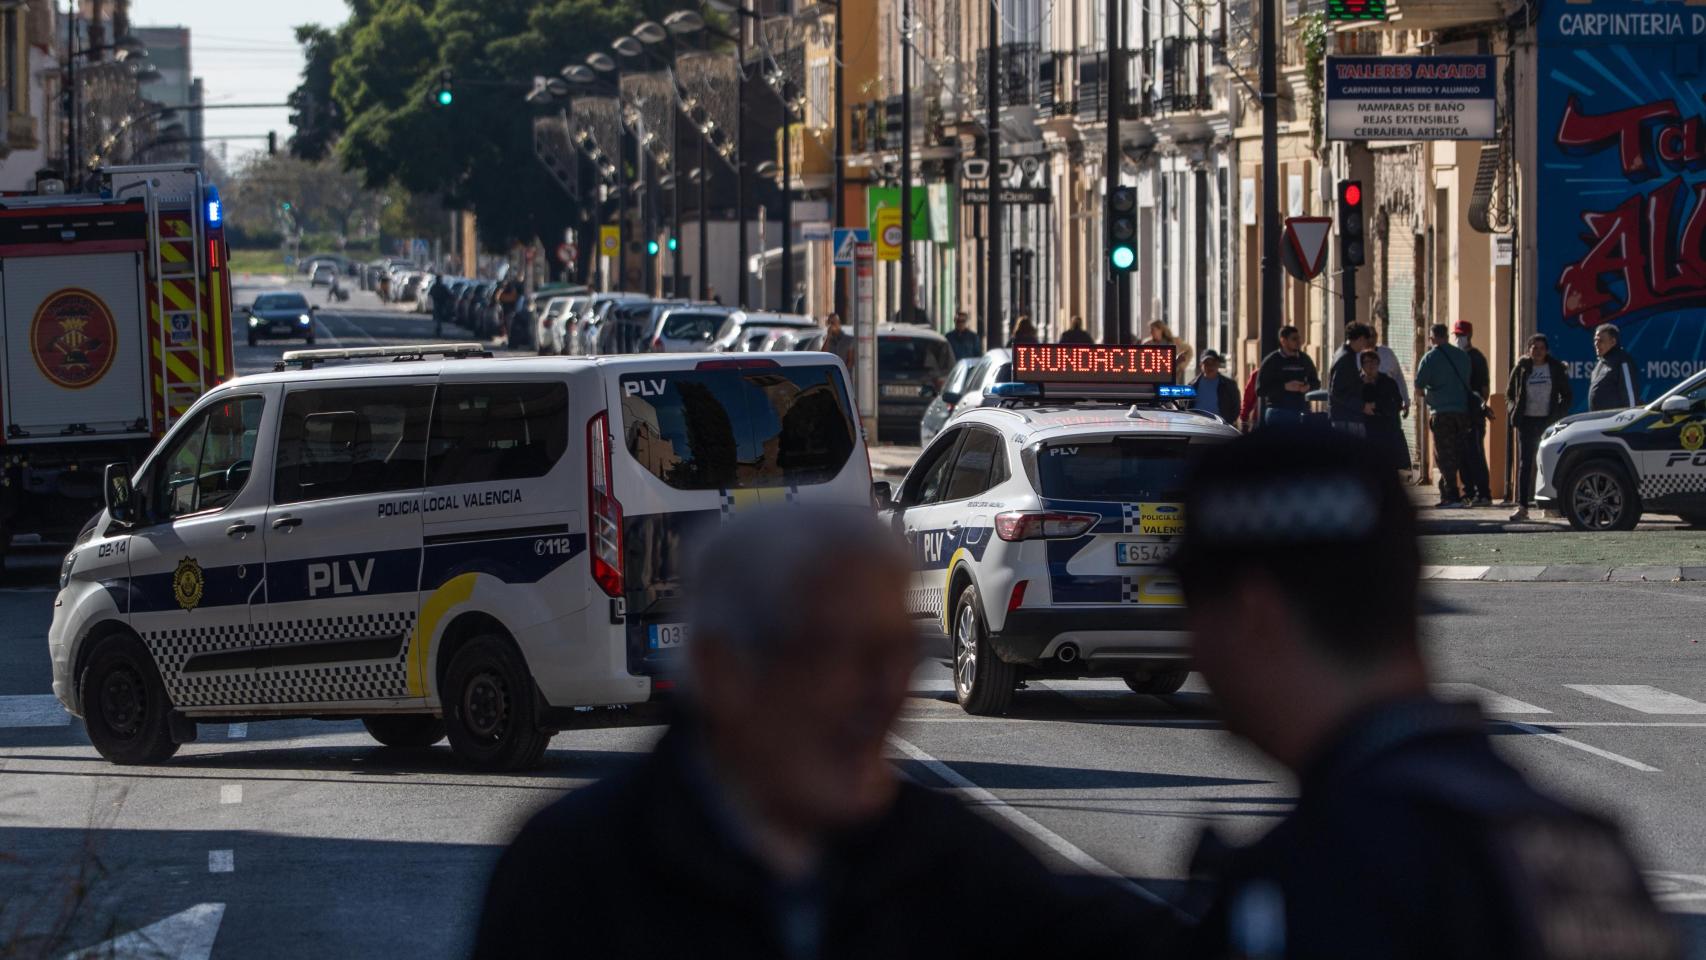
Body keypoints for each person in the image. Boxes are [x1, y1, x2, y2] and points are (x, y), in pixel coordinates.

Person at [473, 507, 1152, 959]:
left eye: (895, 656)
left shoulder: (953, 866)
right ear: (722, 668)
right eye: (833, 654)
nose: (883, 697)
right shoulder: (576, 874)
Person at [1171, 428, 1681, 960]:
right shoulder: (1590, 857)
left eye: (1191, 608)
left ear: (1256, 616)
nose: (1193, 649)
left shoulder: (1315, 881)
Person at [1506, 334, 1574, 521]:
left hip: (1548, 423)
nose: (1538, 352)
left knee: (1547, 464)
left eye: (1541, 348)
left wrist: (1557, 415)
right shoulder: (1521, 368)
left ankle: (1548, 506)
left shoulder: (1555, 368)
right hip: (1527, 422)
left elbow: (1567, 395)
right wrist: (1514, 411)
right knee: (1525, 464)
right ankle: (1522, 507)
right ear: (1528, 350)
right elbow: (1509, 394)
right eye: (1534, 348)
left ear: (1547, 350)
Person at [1414, 323, 1472, 508]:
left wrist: (1428, 394)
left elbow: (1419, 386)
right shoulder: (1462, 356)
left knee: (1445, 455)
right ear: (1447, 336)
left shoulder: (1429, 358)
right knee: (1460, 452)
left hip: (1441, 413)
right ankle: (1466, 491)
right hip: (1462, 412)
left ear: (1432, 338)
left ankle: (1451, 495)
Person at [1453, 320, 1493, 506]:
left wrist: (1480, 407)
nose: (1459, 339)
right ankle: (1468, 492)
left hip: (1473, 414)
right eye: (1457, 335)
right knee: (1461, 455)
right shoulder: (1454, 357)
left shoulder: (1477, 358)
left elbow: (1484, 388)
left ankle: (1483, 493)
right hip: (1457, 413)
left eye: (1462, 335)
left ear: (1470, 336)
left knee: (1475, 453)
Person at [1255, 325, 1319, 427]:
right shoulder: (1272, 361)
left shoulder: (1304, 359)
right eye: (1294, 339)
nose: (1298, 342)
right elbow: (1260, 390)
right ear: (1283, 341)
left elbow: (1316, 383)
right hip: (1278, 412)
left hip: (1301, 411)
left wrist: (1308, 387)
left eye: (1299, 338)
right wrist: (1285, 387)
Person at [1360, 348, 1409, 471]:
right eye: (1366, 362)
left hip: (1386, 430)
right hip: (1366, 431)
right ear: (1362, 365)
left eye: (1373, 362)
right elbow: (1350, 401)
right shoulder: (1357, 383)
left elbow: (1396, 403)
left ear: (1378, 363)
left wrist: (1376, 405)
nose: (1370, 366)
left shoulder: (1388, 382)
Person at [1328, 322, 1376, 436]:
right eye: (1365, 341)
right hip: (1346, 419)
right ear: (1360, 339)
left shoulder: (1346, 355)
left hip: (1346, 417)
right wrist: (1362, 406)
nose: (1365, 345)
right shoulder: (1345, 359)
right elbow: (1337, 391)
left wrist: (1360, 381)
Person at [1589, 323, 1642, 410]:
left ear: (1613, 342)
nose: (1596, 344)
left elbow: (1630, 396)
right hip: (1600, 421)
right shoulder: (1601, 363)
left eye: (1600, 341)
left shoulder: (1622, 361)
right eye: (1595, 340)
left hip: (1617, 421)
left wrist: (1631, 417)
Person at [1189, 351, 1240, 423]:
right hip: (1197, 426)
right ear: (1201, 365)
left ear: (1218, 364)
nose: (1210, 366)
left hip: (1219, 427)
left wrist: (1227, 422)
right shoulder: (1193, 385)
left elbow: (1236, 407)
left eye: (1213, 363)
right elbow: (1186, 407)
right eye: (1206, 363)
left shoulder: (1229, 385)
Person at [1373, 323, 1411, 418]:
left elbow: (1399, 377)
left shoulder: (1387, 353)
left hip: (1389, 406)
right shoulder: (1357, 356)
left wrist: (1406, 400)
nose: (1371, 339)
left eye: (1373, 336)